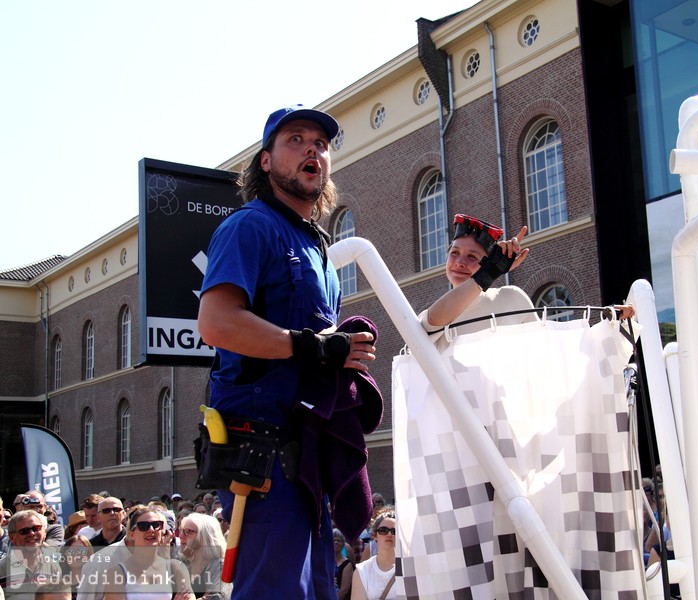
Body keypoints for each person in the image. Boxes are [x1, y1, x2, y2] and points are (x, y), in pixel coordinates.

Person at [197, 103, 382, 599]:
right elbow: (215, 323)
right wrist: (314, 347)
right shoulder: (249, 227)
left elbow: (315, 350)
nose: (312, 150)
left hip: (307, 455)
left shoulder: (318, 246)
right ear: (265, 161)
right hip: (262, 457)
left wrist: (336, 352)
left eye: (320, 144)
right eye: (295, 140)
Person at [418, 214, 533, 352]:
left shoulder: (513, 298)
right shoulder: (437, 312)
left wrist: (489, 272)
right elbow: (430, 323)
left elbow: (545, 356)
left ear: (487, 263)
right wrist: (487, 275)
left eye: (472, 256)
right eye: (454, 253)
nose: (459, 263)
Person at [97, 505, 195, 599]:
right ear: (131, 534)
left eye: (156, 525)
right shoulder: (116, 572)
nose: (151, 530)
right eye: (143, 526)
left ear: (162, 532)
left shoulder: (177, 568)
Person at [0, 510, 62, 599]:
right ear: (12, 537)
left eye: (36, 528)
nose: (32, 533)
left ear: (44, 533)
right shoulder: (1, 569)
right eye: (24, 531)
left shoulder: (54, 567)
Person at [177, 513, 230, 599]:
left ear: (205, 536)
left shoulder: (220, 566)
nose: (181, 536)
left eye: (187, 532)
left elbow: (221, 597)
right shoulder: (184, 564)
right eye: (181, 531)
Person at [350, 512, 396, 600]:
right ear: (375, 535)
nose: (389, 534)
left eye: (394, 531)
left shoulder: (410, 568)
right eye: (383, 530)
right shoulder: (362, 570)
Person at [333, 529, 354, 600]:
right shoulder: (325, 561)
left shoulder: (347, 564)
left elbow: (344, 590)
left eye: (339, 540)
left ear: (343, 544)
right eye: (334, 540)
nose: (336, 542)